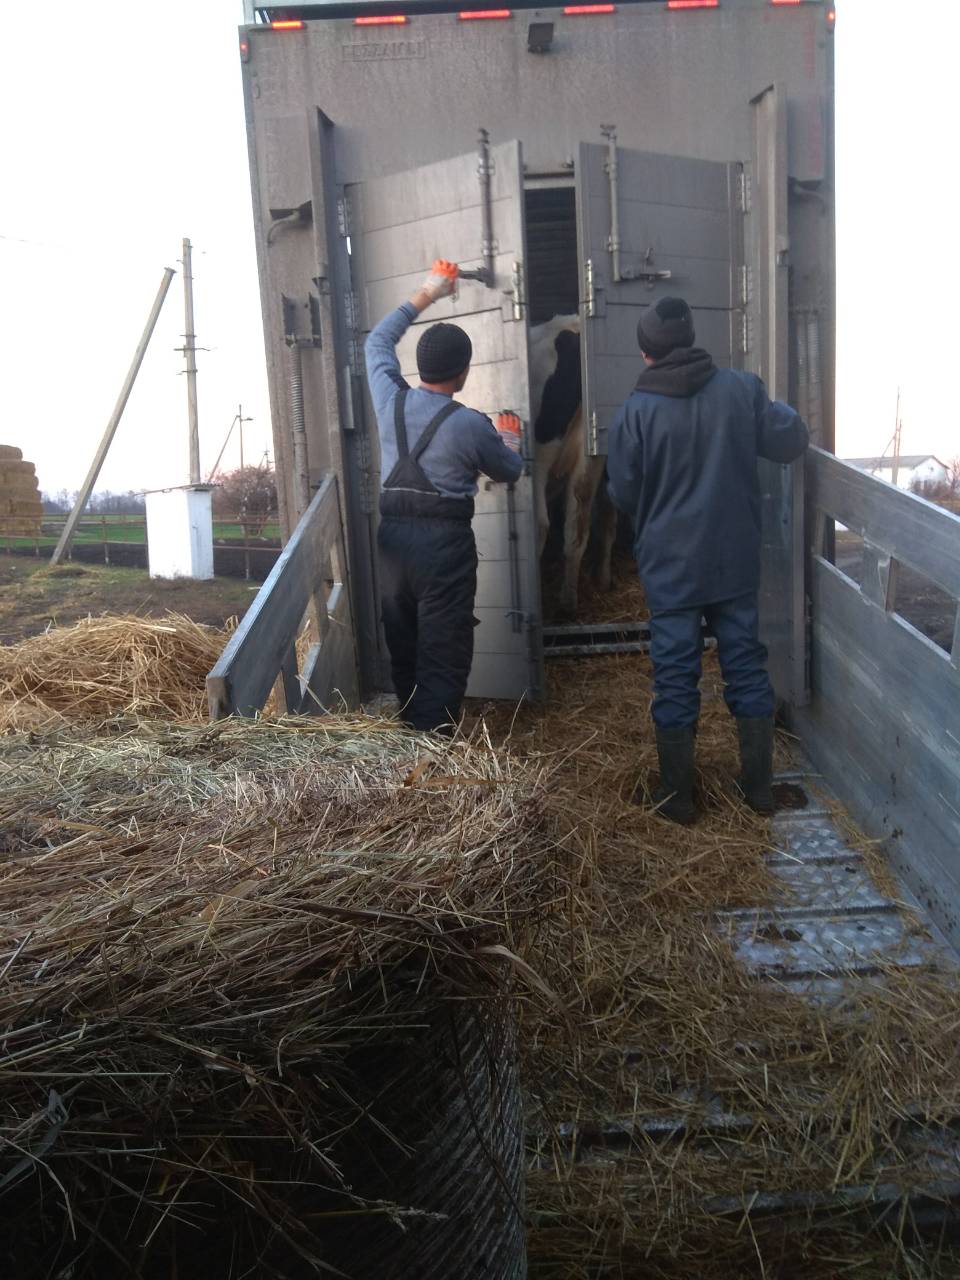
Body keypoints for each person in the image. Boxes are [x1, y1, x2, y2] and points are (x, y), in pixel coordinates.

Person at [606, 296, 808, 823]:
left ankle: (677, 797)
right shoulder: (741, 390)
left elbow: (623, 493)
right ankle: (758, 790)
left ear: (646, 352)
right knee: (746, 666)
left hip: (670, 568)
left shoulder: (636, 412)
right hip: (733, 560)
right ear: (692, 339)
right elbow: (790, 440)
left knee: (675, 674)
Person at [365, 259, 524, 733]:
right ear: (463, 373)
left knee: (405, 646)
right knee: (443, 652)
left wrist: (429, 292)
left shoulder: (389, 399)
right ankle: (433, 750)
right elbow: (510, 470)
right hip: (443, 550)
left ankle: (409, 736)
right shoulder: (471, 425)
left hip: (393, 544)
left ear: (421, 365)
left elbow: (376, 342)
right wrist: (510, 438)